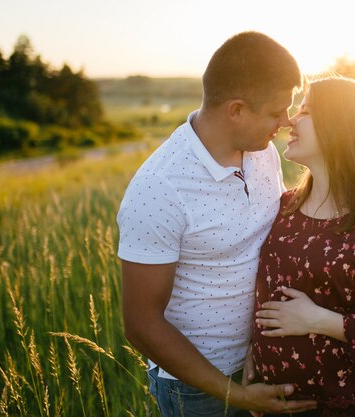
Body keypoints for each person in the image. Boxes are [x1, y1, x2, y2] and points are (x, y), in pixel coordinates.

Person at [117, 32, 317, 417]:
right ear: (236, 110)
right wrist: (235, 395)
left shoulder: (263, 154)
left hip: (263, 360)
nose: (286, 121)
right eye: (277, 111)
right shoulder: (159, 189)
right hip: (198, 388)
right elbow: (141, 324)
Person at [248, 76, 355, 417]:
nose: (290, 120)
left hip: (344, 408)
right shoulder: (285, 206)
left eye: (306, 111)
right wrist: (253, 357)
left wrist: (318, 320)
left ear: (341, 128)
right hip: (271, 404)